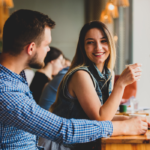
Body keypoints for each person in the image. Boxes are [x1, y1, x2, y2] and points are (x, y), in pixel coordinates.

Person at [0, 9, 148, 150]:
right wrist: (124, 126)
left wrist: (131, 122)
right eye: (46, 44)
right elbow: (64, 130)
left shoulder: (16, 78)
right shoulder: (6, 90)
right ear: (31, 48)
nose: (49, 50)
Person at [41, 21, 148, 150]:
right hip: (60, 145)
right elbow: (101, 119)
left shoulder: (108, 74)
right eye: (90, 42)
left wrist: (135, 119)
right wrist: (121, 83)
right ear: (83, 47)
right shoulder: (80, 75)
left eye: (103, 41)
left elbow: (106, 115)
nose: (98, 47)